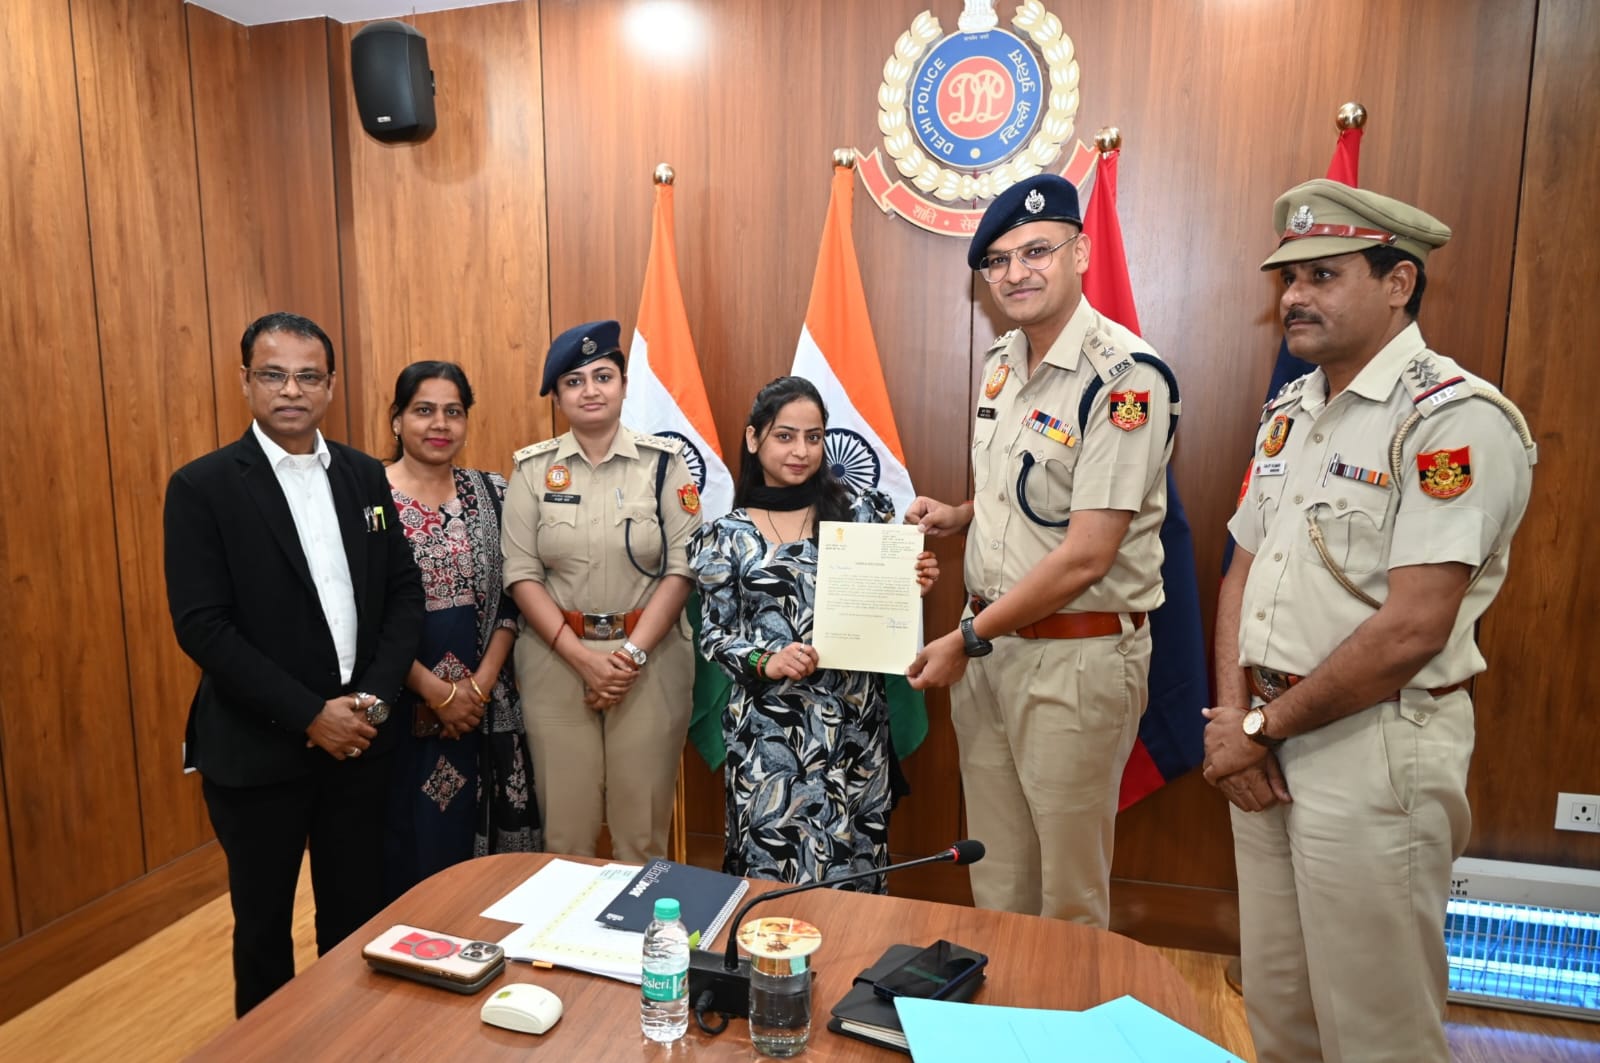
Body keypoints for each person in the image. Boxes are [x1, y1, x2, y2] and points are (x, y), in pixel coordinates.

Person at [1202, 180, 1535, 1063]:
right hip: (1264, 742)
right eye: (1288, 278)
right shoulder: (1292, 412)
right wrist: (1236, 718)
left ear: (1398, 282)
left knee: (1377, 1032)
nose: (1294, 295)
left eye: (1323, 274)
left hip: (1373, 747)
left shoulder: (1453, 420)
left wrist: (1259, 727)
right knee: (1280, 1012)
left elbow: (1412, 629)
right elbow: (1241, 570)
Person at [905, 174, 1177, 927]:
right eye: (997, 261)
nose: (1015, 273)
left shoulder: (1125, 379)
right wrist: (961, 515)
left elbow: (1088, 554)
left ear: (1080, 253)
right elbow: (1034, 492)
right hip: (992, 651)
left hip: (1073, 661)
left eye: (1036, 251)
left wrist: (966, 638)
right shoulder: (1003, 361)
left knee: (1066, 896)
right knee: (998, 877)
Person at [164, 312, 424, 1015]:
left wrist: (372, 699)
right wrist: (311, 714)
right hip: (258, 752)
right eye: (273, 374)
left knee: (356, 919)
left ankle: (354, 1044)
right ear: (245, 380)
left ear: (331, 386)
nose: (291, 390)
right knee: (263, 933)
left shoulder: (364, 475)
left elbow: (403, 592)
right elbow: (203, 627)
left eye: (308, 376)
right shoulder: (202, 487)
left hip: (360, 742)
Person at [687, 376, 938, 889]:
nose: (801, 451)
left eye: (814, 437)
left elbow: (886, 598)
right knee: (773, 876)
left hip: (854, 728)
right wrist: (766, 661)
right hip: (769, 734)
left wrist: (913, 580)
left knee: (856, 870)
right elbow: (713, 633)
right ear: (753, 438)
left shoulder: (862, 514)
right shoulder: (725, 535)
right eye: (785, 436)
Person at [501, 320, 700, 861]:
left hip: (651, 661)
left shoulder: (664, 464)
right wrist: (583, 660)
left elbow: (682, 569)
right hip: (556, 662)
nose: (590, 390)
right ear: (557, 396)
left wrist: (629, 657)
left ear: (624, 385)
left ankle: (645, 921)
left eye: (603, 376)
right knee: (566, 835)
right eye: (574, 381)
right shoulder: (532, 470)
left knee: (642, 833)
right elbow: (520, 574)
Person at [382, 361, 541, 899]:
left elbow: (513, 595)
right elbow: (362, 613)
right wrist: (435, 692)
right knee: (405, 846)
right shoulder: (367, 496)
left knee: (485, 873)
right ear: (397, 419)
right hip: (400, 700)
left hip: (484, 705)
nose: (440, 424)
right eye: (423, 410)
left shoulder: (493, 492)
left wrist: (477, 687)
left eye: (453, 411)